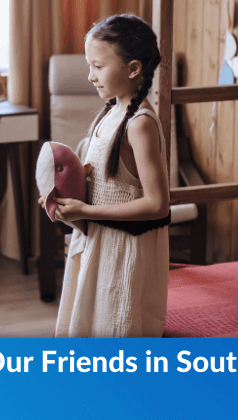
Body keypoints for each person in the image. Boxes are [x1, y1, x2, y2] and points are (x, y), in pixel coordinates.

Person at [41, 14, 169, 337]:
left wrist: (86, 211)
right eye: (89, 66)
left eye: (98, 67)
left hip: (124, 253)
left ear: (134, 69)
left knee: (117, 328)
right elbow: (104, 185)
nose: (90, 76)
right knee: (89, 325)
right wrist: (69, 201)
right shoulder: (110, 112)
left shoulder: (139, 123)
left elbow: (158, 204)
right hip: (98, 244)